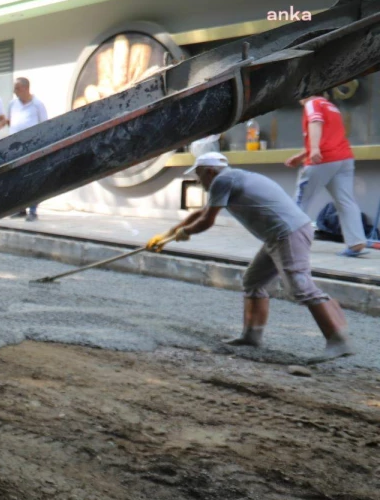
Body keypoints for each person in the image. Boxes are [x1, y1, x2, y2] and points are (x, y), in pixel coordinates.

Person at [148, 152, 351, 359]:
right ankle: (251, 336)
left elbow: (207, 220)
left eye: (199, 176)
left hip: (287, 233)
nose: (199, 182)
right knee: (253, 281)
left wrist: (185, 233)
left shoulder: (222, 180)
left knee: (301, 287)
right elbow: (200, 213)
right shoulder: (233, 177)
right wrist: (167, 234)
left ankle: (338, 341)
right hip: (280, 235)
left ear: (210, 171)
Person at [286, 93, 368, 257]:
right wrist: (303, 154)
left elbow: (316, 123)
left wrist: (314, 149)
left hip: (323, 159)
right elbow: (329, 136)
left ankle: (290, 244)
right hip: (344, 158)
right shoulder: (332, 107)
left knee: (300, 201)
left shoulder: (312, 103)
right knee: (345, 200)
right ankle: (356, 242)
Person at [6, 77, 49, 221]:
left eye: (17, 88)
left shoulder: (37, 105)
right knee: (17, 179)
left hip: (32, 148)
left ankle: (33, 210)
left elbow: (45, 126)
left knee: (32, 178)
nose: (14, 91)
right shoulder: (12, 104)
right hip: (15, 148)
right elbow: (9, 122)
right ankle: (20, 209)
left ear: (25, 88)